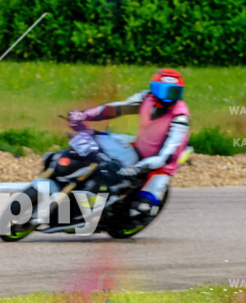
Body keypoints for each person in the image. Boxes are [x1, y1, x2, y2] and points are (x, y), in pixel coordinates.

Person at [68, 68, 191, 219]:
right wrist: (84, 114)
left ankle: (132, 214)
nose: (167, 98)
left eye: (173, 93)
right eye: (162, 91)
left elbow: (167, 154)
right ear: (153, 89)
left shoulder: (181, 118)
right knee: (95, 142)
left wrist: (140, 167)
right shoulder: (145, 98)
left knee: (144, 206)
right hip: (139, 148)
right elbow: (115, 108)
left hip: (161, 165)